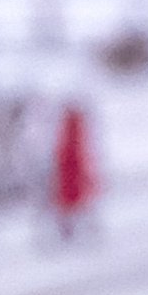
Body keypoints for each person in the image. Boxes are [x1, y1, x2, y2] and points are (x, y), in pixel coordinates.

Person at [50, 99, 97, 238]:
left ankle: (76, 227)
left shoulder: (74, 127)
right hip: (69, 170)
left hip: (72, 171)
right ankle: (72, 227)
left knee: (73, 199)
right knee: (70, 199)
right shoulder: (70, 127)